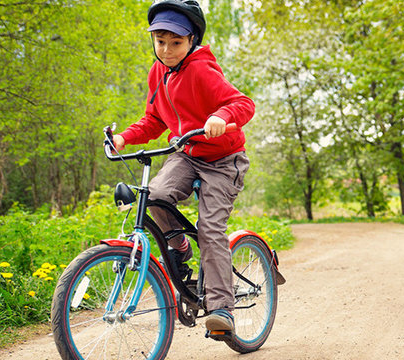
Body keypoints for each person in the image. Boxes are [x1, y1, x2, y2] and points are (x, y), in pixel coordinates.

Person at [111, 0, 254, 333]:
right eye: (160, 42)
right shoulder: (158, 73)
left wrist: (221, 116)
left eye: (175, 43)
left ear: (191, 41)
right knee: (155, 195)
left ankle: (222, 309)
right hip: (187, 154)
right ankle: (179, 246)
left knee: (210, 228)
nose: (167, 50)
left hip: (223, 160)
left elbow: (243, 104)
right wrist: (123, 139)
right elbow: (154, 120)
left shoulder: (202, 70)